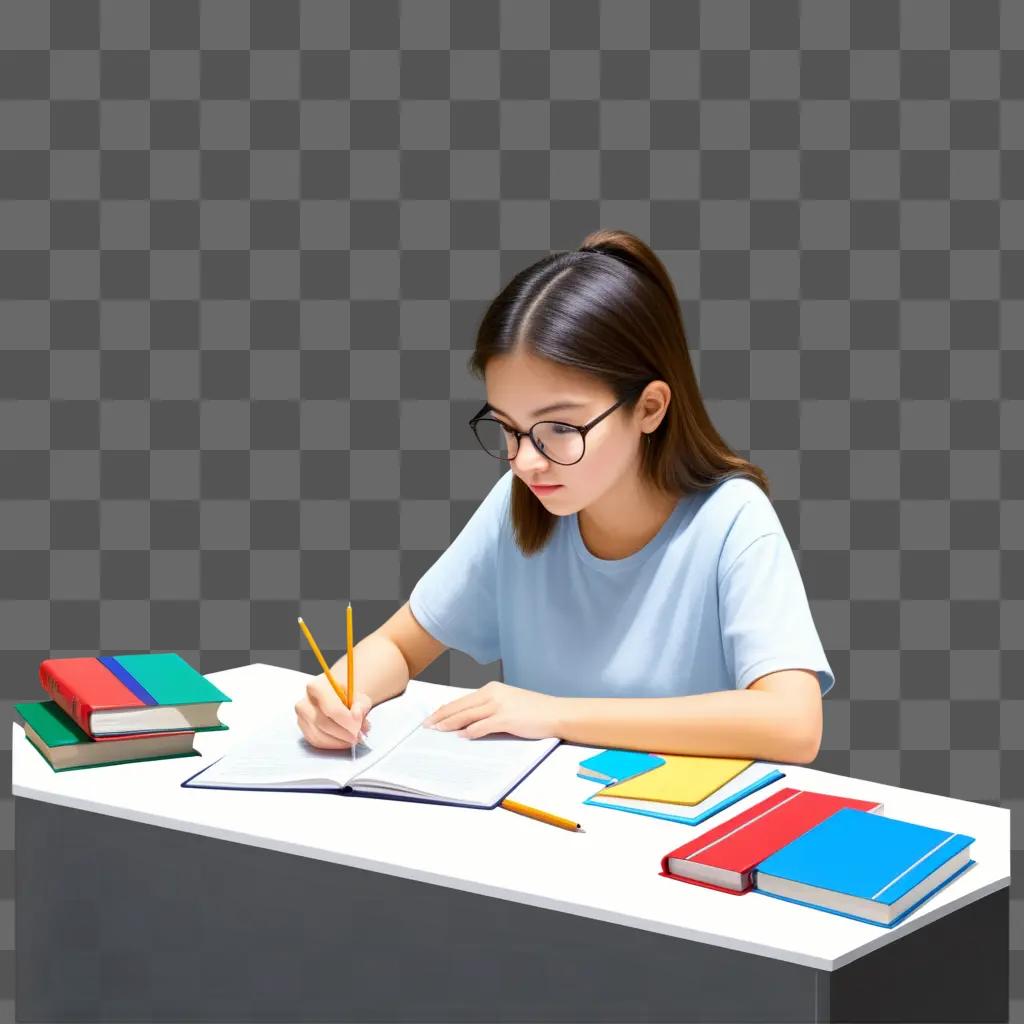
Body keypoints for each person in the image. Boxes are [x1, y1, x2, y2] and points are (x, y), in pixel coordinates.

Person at [295, 229, 834, 764]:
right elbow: (399, 645)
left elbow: (792, 723)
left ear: (649, 407)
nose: (526, 460)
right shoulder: (520, 503)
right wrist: (343, 692)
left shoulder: (731, 520)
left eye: (559, 428)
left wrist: (555, 715)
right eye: (508, 427)